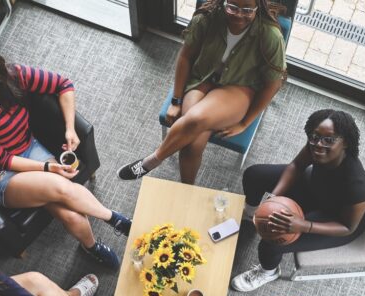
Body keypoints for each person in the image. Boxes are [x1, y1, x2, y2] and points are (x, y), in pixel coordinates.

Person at [0, 46, 130, 268]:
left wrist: (70, 129)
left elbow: (63, 84)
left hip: (27, 148)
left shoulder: (15, 76)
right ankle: (116, 219)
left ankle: (90, 246)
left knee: (71, 214)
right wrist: (47, 168)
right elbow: (3, 160)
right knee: (61, 187)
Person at [117, 0, 286, 184]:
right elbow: (185, 57)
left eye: (247, 10)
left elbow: (273, 84)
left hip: (239, 87)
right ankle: (187, 188)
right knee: (192, 144)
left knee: (196, 119)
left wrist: (245, 122)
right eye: (232, 7)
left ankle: (151, 161)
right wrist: (176, 100)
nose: (239, 15)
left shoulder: (270, 34)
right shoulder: (207, 18)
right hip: (202, 78)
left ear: (257, 7)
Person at [231, 109, 365, 292]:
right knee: (254, 174)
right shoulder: (316, 145)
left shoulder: (356, 183)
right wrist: (272, 199)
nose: (319, 144)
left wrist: (303, 225)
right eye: (314, 137)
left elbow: (347, 228)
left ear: (345, 142)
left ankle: (269, 271)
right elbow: (296, 166)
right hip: (313, 190)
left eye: (329, 140)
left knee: (272, 240)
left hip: (335, 220)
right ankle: (252, 215)